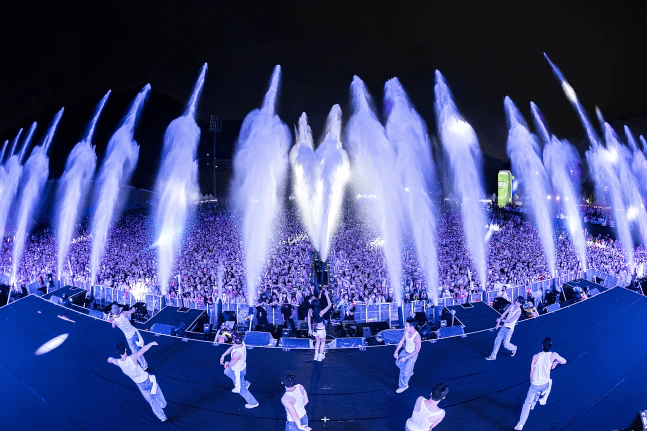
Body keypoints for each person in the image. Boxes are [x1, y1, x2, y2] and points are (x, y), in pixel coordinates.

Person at [514, 338, 566, 430]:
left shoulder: (535, 356)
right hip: (545, 384)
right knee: (543, 388)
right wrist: (555, 363)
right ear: (551, 347)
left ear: (542, 346)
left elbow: (532, 371)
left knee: (527, 403)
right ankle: (534, 404)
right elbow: (564, 361)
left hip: (535, 385)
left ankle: (520, 425)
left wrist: (531, 380)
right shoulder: (554, 355)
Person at [107, 341, 167, 422]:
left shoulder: (118, 363)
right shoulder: (132, 357)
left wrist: (109, 359)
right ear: (125, 349)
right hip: (148, 380)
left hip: (141, 386)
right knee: (158, 391)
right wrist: (151, 343)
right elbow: (143, 350)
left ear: (118, 352)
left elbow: (113, 360)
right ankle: (163, 404)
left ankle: (162, 417)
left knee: (152, 402)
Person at [219, 331, 259, 409]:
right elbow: (232, 347)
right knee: (227, 371)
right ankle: (245, 383)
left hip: (238, 371)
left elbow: (231, 364)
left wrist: (227, 363)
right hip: (241, 366)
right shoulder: (241, 343)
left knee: (241, 390)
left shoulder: (236, 354)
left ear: (233, 341)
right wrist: (223, 355)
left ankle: (253, 402)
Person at [110, 303, 147, 369]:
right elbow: (133, 311)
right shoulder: (124, 313)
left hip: (129, 338)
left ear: (113, 311)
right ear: (119, 308)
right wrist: (134, 308)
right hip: (135, 333)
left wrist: (113, 317)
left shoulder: (114, 322)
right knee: (139, 345)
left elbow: (113, 326)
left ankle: (144, 365)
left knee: (135, 351)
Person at [486, 296, 523, 360]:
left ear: (520, 304)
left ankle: (514, 348)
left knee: (506, 345)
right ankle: (493, 356)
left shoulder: (518, 312)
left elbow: (510, 321)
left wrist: (500, 320)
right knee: (497, 340)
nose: (516, 302)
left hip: (509, 330)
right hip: (504, 327)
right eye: (516, 300)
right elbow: (505, 313)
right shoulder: (512, 305)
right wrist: (498, 322)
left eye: (518, 301)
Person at [394, 318, 421, 393]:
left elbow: (417, 351)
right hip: (405, 350)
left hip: (412, 355)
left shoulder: (417, 337)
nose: (404, 327)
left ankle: (404, 386)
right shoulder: (406, 331)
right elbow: (402, 340)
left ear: (411, 327)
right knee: (398, 363)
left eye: (406, 326)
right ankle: (410, 371)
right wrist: (396, 351)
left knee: (404, 372)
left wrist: (406, 358)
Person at [307, 290, 332, 361]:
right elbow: (329, 305)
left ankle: (316, 356)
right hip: (321, 329)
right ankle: (320, 357)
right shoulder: (321, 312)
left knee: (317, 342)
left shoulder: (310, 311)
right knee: (323, 342)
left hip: (314, 329)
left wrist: (310, 329)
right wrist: (327, 295)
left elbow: (309, 321)